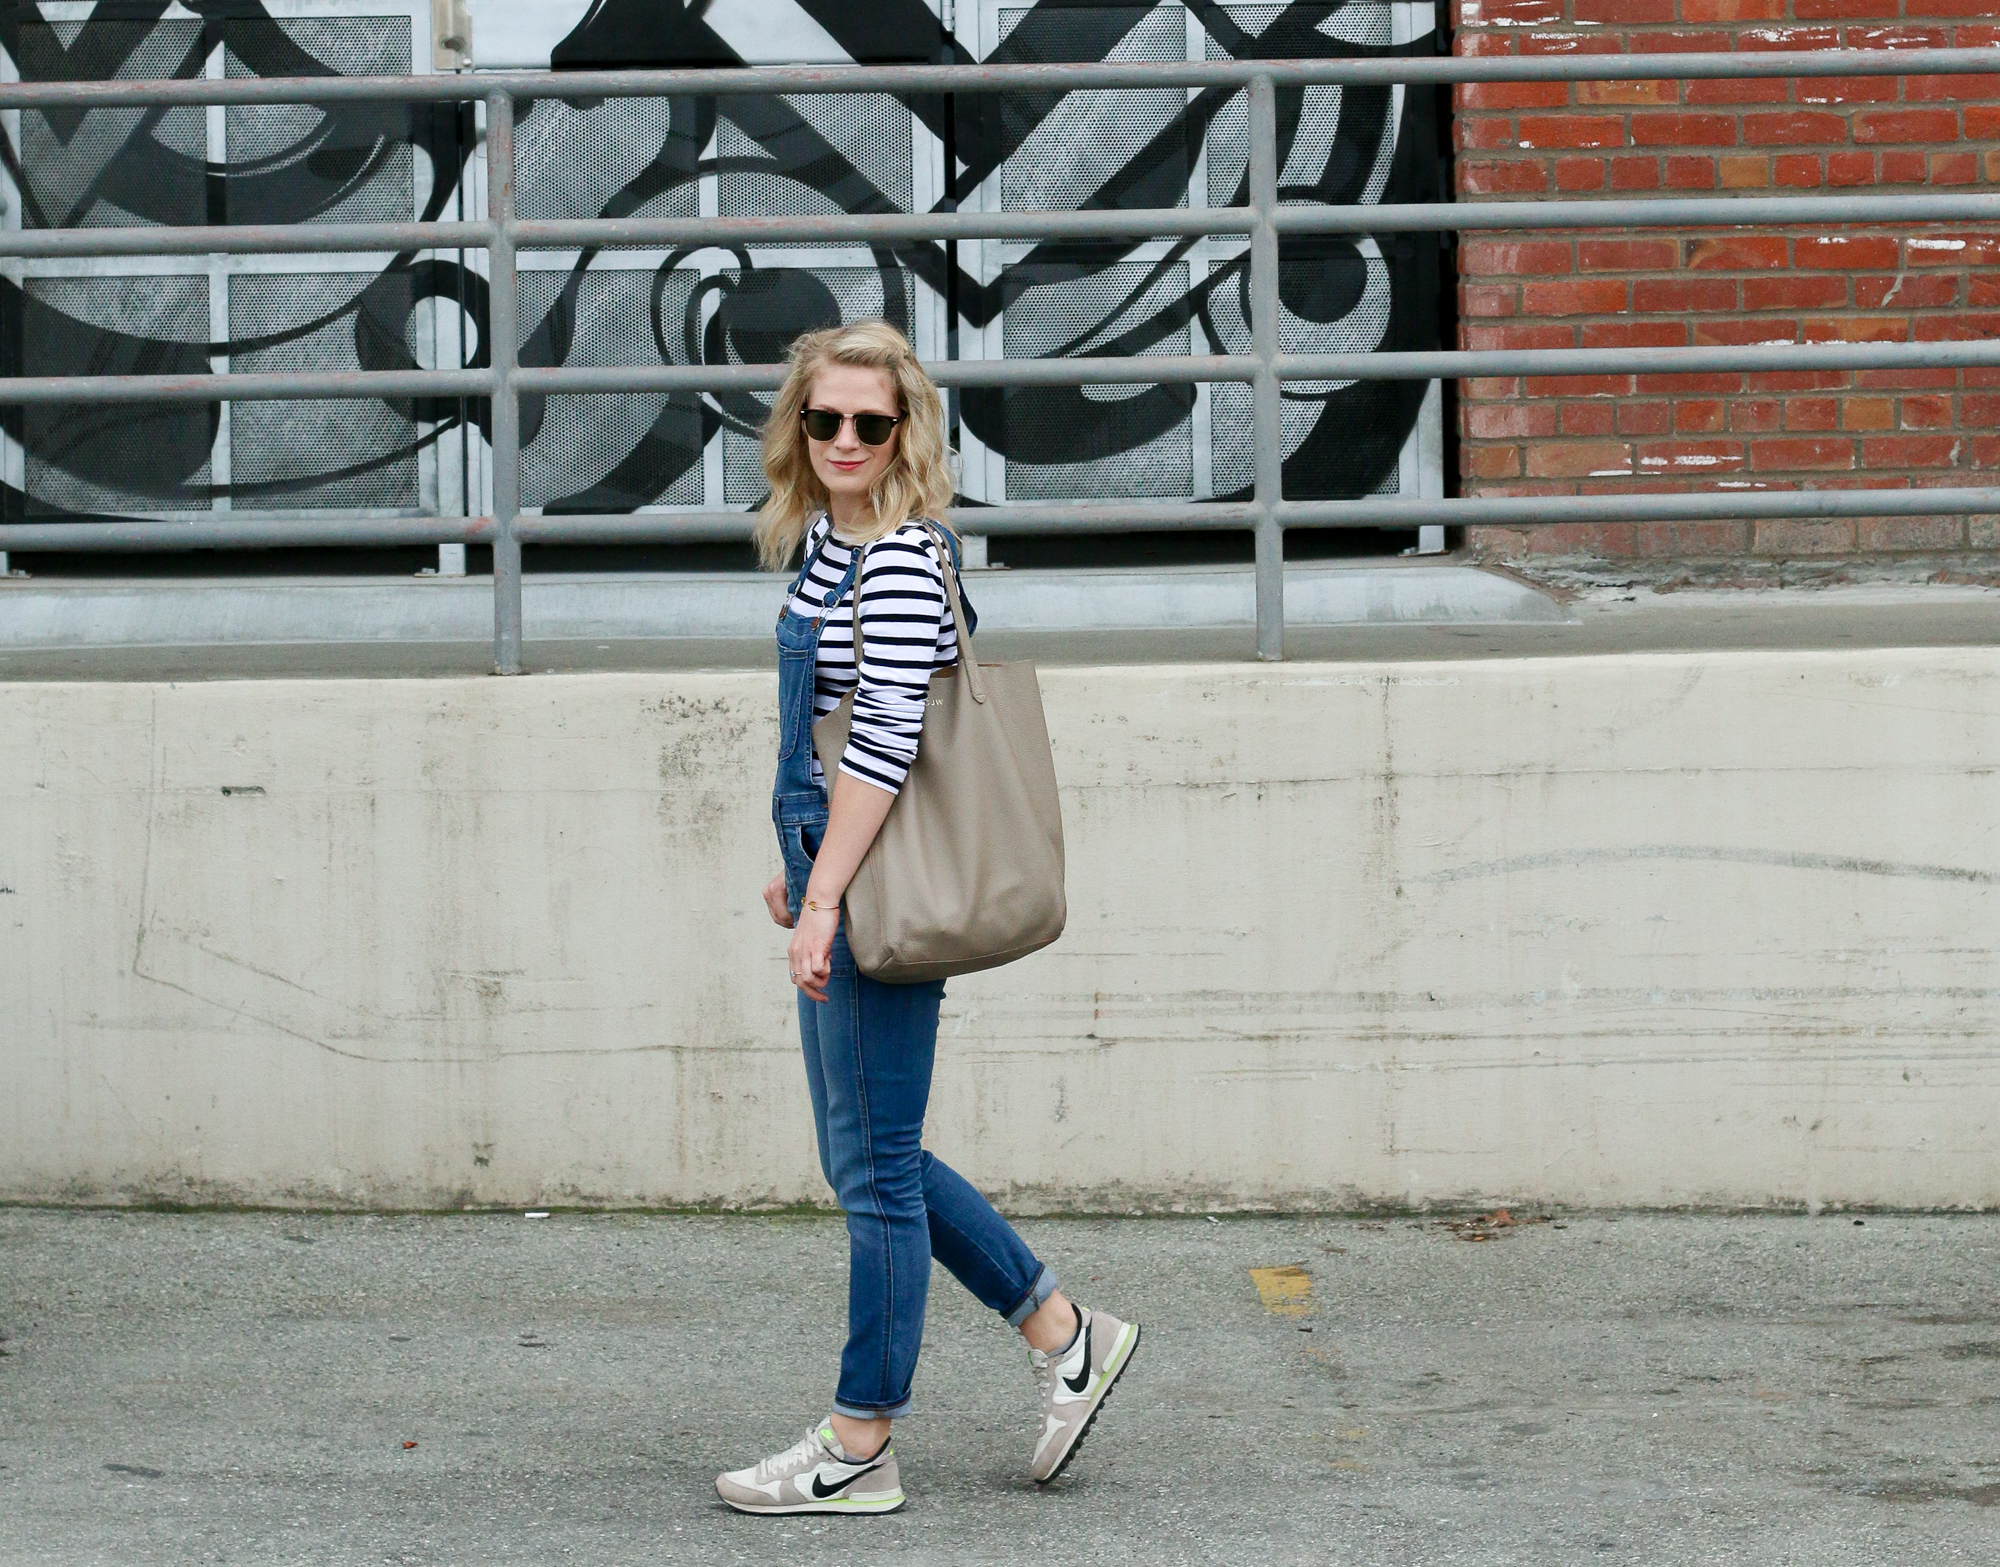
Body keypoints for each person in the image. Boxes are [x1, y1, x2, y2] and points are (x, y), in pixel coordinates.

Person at [714, 321, 1140, 1516]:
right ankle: (1066, 1330)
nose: (844, 440)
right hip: (839, 866)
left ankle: (859, 1440)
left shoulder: (901, 558)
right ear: (796, 428)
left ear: (906, 434)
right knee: (872, 1158)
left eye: (870, 422)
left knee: (874, 1174)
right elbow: (818, 734)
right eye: (823, 419)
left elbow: (887, 746)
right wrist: (797, 865)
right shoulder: (816, 544)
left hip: (879, 883)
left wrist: (828, 895)